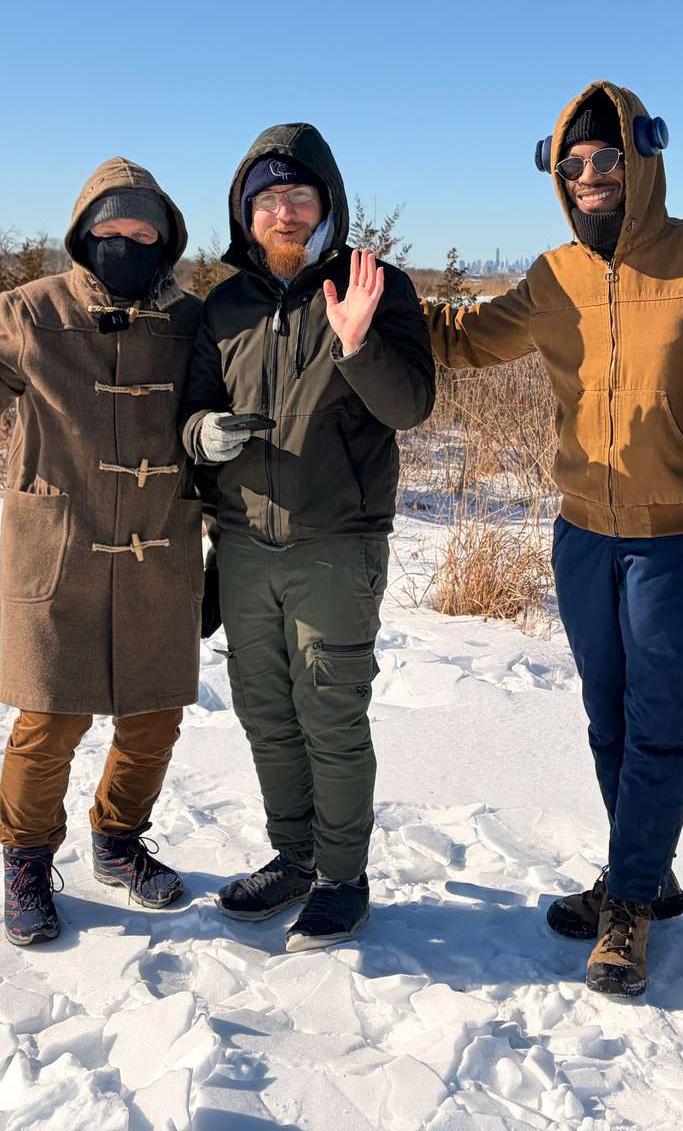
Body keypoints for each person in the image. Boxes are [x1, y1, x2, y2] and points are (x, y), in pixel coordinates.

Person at [426, 81, 683, 998]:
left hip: (681, 542)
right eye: (573, 163)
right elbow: (457, 341)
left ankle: (629, 907)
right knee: (607, 720)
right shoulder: (552, 275)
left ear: (643, 156)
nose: (591, 175)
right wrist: (354, 301)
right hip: (582, 539)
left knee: (659, 730)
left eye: (607, 157)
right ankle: (645, 873)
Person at [0, 157, 206, 946]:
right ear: (83, 231)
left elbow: (214, 425)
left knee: (155, 718)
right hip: (59, 549)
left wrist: (225, 550)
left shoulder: (195, 320)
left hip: (161, 548)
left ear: (165, 236)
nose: (125, 239)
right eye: (110, 226)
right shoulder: (30, 310)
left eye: (141, 227)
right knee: (50, 720)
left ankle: (119, 841)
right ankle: (26, 859)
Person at [180, 123, 435, 952]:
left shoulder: (376, 285)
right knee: (265, 711)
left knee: (330, 711)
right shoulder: (222, 306)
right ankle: (292, 857)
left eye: (299, 196)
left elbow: (410, 406)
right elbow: (186, 412)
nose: (284, 214)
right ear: (244, 212)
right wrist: (203, 434)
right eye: (267, 199)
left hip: (337, 541)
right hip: (245, 543)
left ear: (326, 201)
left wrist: (358, 342)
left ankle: (342, 876)